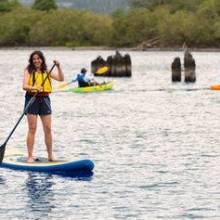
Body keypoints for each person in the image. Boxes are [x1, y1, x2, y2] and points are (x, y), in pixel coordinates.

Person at [23, 51, 64, 163]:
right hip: (32, 99)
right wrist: (35, 87)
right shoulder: (28, 70)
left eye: (39, 58)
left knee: (48, 128)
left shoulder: (46, 70)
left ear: (42, 59)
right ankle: (30, 156)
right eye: (34, 59)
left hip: (45, 99)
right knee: (32, 128)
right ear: (32, 60)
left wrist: (59, 67)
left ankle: (50, 155)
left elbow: (61, 79)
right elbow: (24, 86)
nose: (36, 60)